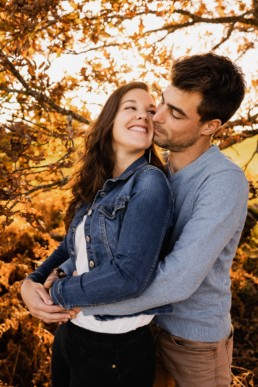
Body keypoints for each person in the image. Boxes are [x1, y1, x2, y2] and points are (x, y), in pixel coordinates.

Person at [22, 53, 249, 387]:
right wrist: (37, 280)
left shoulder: (223, 181)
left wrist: (75, 299)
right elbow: (90, 243)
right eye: (163, 102)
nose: (157, 116)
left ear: (210, 126)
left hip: (192, 342)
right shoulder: (152, 171)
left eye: (176, 112)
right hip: (141, 330)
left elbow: (177, 281)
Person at [21, 82, 174, 387]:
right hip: (72, 335)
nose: (143, 116)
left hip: (114, 351)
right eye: (131, 108)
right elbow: (70, 246)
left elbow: (128, 276)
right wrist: (32, 281)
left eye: (150, 111)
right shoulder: (100, 183)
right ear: (109, 120)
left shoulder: (149, 184)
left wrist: (56, 293)